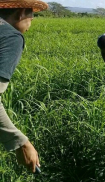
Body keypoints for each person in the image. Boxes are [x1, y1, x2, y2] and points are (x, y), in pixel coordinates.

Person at [0, 0, 48, 173]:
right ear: (20, 13)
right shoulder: (10, 37)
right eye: (31, 18)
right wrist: (20, 142)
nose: (30, 24)